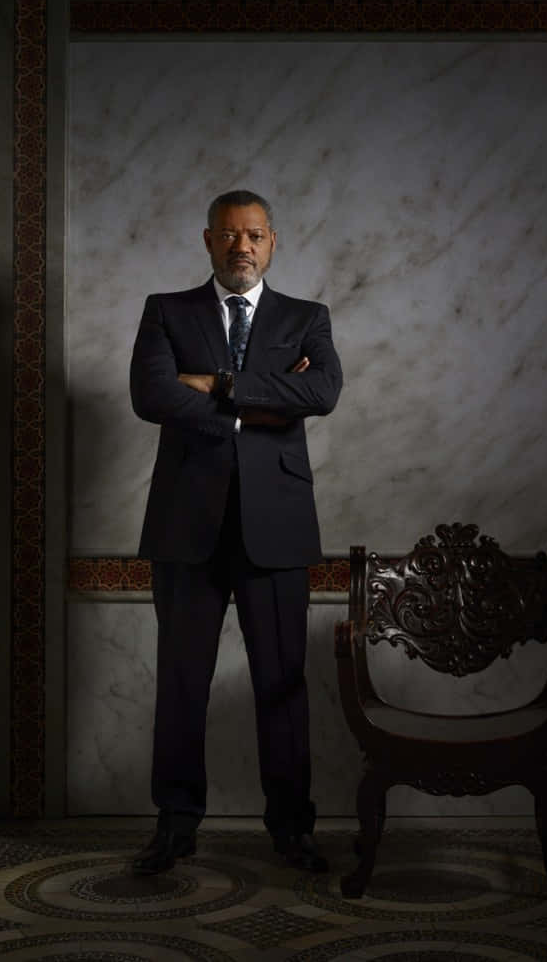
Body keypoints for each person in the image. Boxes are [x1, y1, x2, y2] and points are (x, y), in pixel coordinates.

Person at [128, 190, 342, 875]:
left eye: (253, 235)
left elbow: (323, 393)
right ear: (208, 241)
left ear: (272, 242)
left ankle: (291, 828)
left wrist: (215, 384)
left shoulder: (307, 319)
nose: (241, 246)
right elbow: (151, 395)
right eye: (228, 235)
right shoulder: (168, 311)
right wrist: (262, 398)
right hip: (186, 528)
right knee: (181, 683)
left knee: (282, 685)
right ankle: (175, 823)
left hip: (276, 531)